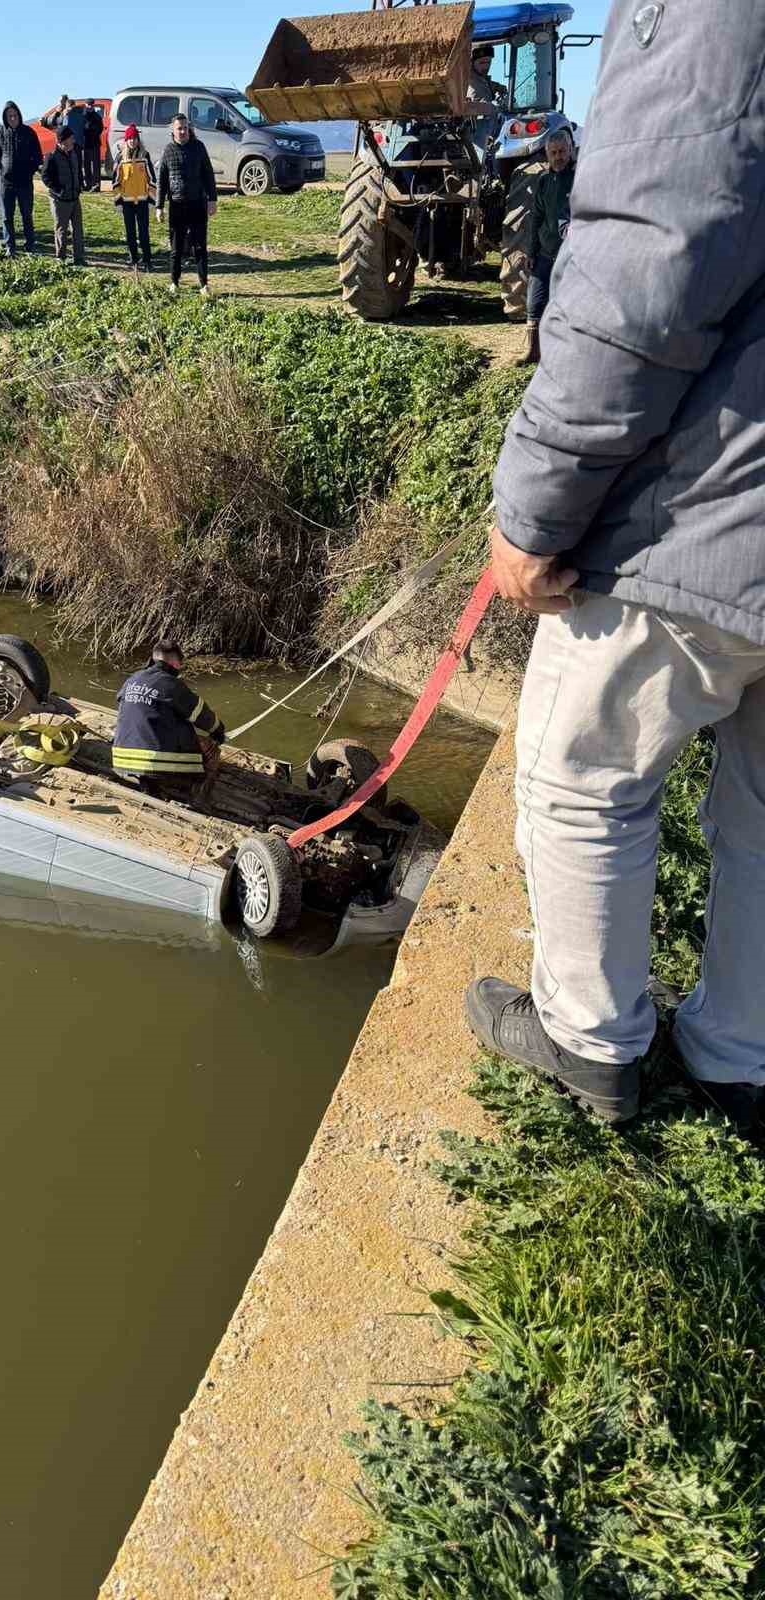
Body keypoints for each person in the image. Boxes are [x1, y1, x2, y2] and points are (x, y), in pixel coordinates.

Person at [466, 0, 765, 1134]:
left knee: (579, 769)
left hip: (711, 495)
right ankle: (740, 1053)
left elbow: (649, 260)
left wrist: (539, 507)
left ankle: (590, 1044)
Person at [112, 642, 225, 802]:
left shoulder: (133, 679)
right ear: (175, 663)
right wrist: (219, 732)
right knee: (210, 748)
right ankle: (201, 790)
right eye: (180, 663)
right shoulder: (172, 685)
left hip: (121, 762)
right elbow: (204, 717)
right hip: (160, 767)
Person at [519, 129, 575, 366]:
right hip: (545, 253)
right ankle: (533, 351)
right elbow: (536, 219)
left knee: (569, 305)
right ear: (547, 155)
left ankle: (566, 355)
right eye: (553, 153)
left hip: (572, 255)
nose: (558, 157)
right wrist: (531, 252)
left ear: (570, 150)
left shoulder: (579, 178)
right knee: (534, 302)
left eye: (562, 151)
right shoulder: (543, 182)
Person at [155, 114, 217, 297]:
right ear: (173, 131)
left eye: (185, 128)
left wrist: (212, 199)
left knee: (200, 247)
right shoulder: (168, 151)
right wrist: (159, 206)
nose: (182, 131)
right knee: (176, 248)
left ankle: (204, 284)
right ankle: (174, 282)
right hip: (177, 205)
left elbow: (208, 175)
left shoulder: (198, 148)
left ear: (189, 129)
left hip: (198, 203)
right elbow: (162, 181)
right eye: (179, 128)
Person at [0, 101, 42, 257]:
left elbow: (37, 156)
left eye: (15, 115)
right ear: (5, 118)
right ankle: (10, 246)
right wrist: (0, 169)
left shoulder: (29, 132)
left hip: (25, 182)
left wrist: (30, 171)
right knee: (6, 216)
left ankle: (30, 245)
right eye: (9, 116)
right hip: (5, 182)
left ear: (19, 115)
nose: (12, 118)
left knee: (26, 214)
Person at [111, 124, 155, 270]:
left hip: (142, 201)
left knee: (144, 232)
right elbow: (115, 180)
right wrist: (118, 201)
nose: (133, 141)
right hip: (126, 203)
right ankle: (134, 258)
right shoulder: (120, 157)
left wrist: (151, 199)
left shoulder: (145, 155)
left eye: (135, 138)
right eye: (130, 138)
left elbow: (151, 179)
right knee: (130, 232)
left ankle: (147, 259)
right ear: (126, 140)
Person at [41, 127, 85, 265]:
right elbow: (45, 177)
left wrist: (79, 187)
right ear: (62, 140)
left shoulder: (74, 153)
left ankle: (79, 258)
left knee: (78, 230)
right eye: (70, 138)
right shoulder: (51, 156)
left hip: (74, 197)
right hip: (60, 200)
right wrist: (58, 190)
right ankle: (61, 258)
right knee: (61, 230)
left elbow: (78, 171)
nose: (73, 140)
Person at [466, 44, 506, 147]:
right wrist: (491, 106)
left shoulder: (481, 78)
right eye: (482, 62)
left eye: (488, 62)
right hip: (476, 127)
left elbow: (484, 85)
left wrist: (497, 87)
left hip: (488, 126)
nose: (486, 66)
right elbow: (474, 98)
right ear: (471, 63)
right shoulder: (466, 80)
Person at [82, 99, 104, 191]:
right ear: (86, 105)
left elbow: (100, 128)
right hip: (86, 142)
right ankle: (88, 184)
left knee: (96, 165)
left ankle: (96, 185)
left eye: (91, 105)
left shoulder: (97, 116)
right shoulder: (82, 116)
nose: (90, 106)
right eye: (88, 104)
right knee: (86, 165)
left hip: (95, 142)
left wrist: (93, 131)